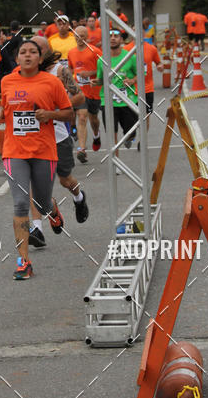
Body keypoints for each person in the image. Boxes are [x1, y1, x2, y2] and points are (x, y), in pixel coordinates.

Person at [0, 40, 73, 280]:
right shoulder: (7, 81)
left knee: (42, 203)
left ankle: (52, 209)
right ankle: (23, 261)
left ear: (39, 58)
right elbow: (4, 110)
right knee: (19, 205)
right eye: (23, 52)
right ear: (17, 59)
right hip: (14, 151)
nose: (27, 56)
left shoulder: (51, 82)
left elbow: (68, 111)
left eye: (32, 52)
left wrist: (49, 114)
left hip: (43, 151)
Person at [27, 36, 89, 248]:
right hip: (35, 136)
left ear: (46, 52)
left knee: (65, 180)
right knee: (35, 184)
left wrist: (54, 111)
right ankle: (37, 228)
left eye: (39, 51)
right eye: (31, 51)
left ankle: (79, 197)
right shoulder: (26, 74)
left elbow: (79, 97)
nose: (35, 55)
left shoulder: (60, 71)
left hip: (59, 136)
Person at [93, 29, 137, 161]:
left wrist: (132, 80)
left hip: (127, 100)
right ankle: (117, 163)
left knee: (131, 131)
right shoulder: (102, 60)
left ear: (121, 40)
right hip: (108, 101)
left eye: (116, 36)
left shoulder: (130, 57)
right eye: (110, 36)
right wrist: (95, 82)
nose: (112, 38)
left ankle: (130, 137)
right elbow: (101, 80)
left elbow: (140, 74)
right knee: (112, 134)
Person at [68, 26, 102, 161]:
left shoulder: (95, 51)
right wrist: (70, 82)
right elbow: (70, 68)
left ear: (87, 37)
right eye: (77, 35)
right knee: (82, 117)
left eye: (82, 35)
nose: (79, 38)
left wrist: (91, 73)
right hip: (80, 92)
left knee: (94, 119)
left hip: (94, 91)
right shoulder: (71, 52)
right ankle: (82, 149)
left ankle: (96, 134)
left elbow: (105, 68)